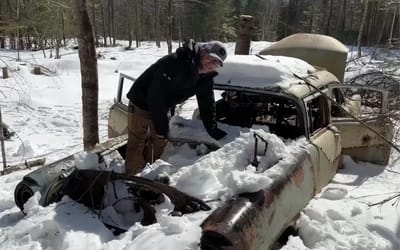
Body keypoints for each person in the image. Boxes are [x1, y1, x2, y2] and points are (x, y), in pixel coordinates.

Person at [125, 40, 228, 175]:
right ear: (202, 51)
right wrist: (161, 127)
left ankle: (151, 174)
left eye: (216, 63)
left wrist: (212, 128)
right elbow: (156, 95)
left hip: (162, 106)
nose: (211, 64)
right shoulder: (176, 62)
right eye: (210, 58)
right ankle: (133, 177)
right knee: (137, 141)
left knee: (160, 142)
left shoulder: (206, 77)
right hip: (141, 102)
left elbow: (207, 103)